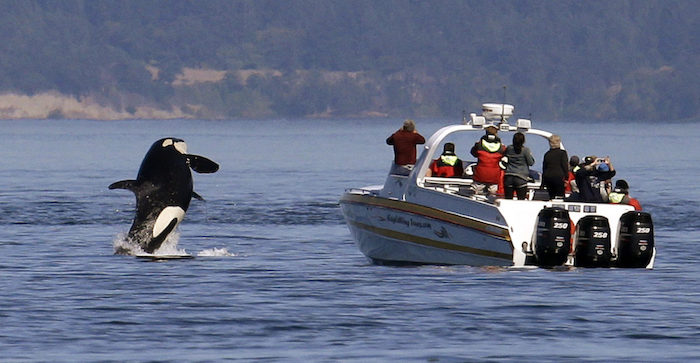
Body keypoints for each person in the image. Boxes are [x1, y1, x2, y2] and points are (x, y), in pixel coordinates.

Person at [470, 125, 506, 195]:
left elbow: (473, 153)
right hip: (494, 176)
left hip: (480, 175)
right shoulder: (502, 147)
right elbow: (504, 156)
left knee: (477, 193)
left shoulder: (479, 145)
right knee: (493, 194)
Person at [502, 132, 535, 199]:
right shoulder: (525, 150)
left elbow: (504, 157)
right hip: (521, 177)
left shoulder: (509, 148)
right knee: (521, 200)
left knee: (508, 200)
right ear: (523, 141)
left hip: (509, 176)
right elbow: (531, 163)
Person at [541, 134, 569, 199]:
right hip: (558, 177)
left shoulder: (547, 154)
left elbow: (544, 168)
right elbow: (565, 166)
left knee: (551, 196)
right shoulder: (562, 153)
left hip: (548, 177)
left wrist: (543, 183)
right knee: (560, 197)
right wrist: (566, 178)